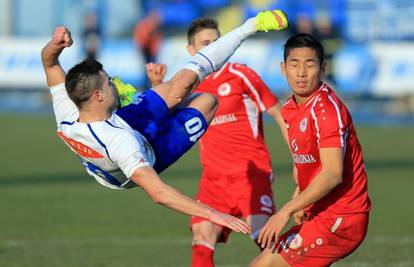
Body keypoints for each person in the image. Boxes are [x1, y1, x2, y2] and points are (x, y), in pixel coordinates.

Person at [40, 10, 288, 240]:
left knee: (182, 83)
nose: (114, 83)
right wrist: (213, 214)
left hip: (123, 122)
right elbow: (159, 193)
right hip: (146, 155)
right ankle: (163, 104)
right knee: (208, 101)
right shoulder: (120, 143)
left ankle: (250, 26)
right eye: (109, 83)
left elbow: (49, 62)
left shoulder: (68, 109)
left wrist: (56, 43)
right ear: (98, 96)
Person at [250, 33, 371, 267]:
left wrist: (286, 210)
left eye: (310, 64)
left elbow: (332, 173)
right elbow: (309, 163)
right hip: (321, 212)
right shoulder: (290, 110)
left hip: (342, 218)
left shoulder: (325, 110)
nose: (302, 72)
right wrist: (301, 197)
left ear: (323, 68)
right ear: (283, 68)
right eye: (294, 64)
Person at [184, 18, 288, 267]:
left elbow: (278, 113)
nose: (213, 48)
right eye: (206, 44)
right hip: (213, 181)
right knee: (202, 238)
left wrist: (300, 160)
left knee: (266, 238)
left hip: (250, 175)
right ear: (191, 50)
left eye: (216, 42)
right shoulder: (190, 85)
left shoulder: (241, 75)